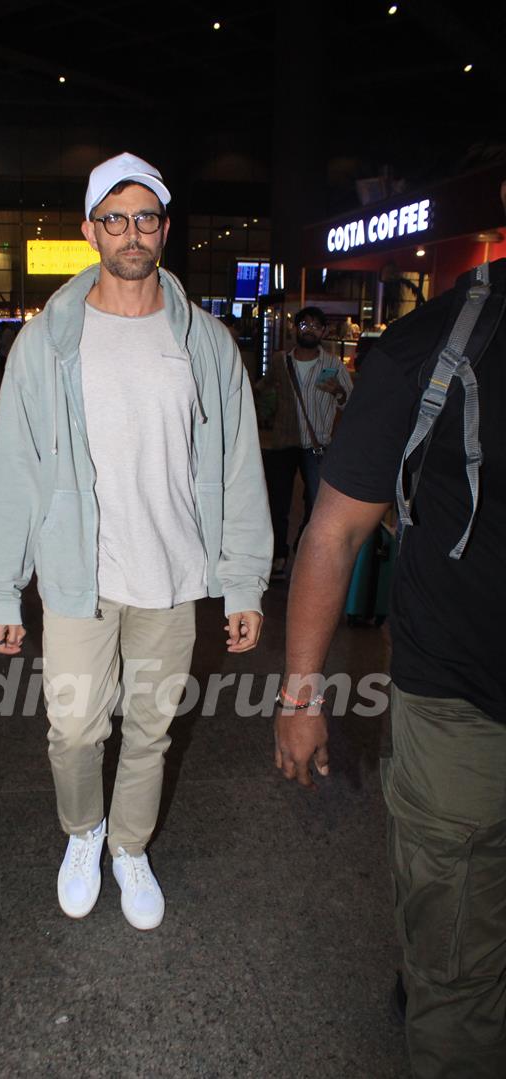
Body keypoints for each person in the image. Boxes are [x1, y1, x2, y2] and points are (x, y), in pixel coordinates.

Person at [0, 151, 272, 930]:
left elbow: (240, 467)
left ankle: (130, 847)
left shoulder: (205, 343)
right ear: (89, 231)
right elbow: (12, 466)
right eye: (115, 218)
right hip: (80, 576)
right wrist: (1, 587)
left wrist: (242, 582)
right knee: (74, 727)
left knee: (151, 727)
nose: (131, 233)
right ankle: (85, 831)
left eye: (145, 218)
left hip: (172, 574)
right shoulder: (46, 343)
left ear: (164, 230)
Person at [274, 194, 506, 1077]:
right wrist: (301, 693)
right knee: (458, 972)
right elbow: (331, 532)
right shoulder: (435, 344)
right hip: (462, 708)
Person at [256, 306, 351, 579]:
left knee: (315, 502)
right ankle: (279, 556)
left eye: (315, 326)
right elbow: (266, 386)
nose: (309, 330)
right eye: (304, 325)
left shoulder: (333, 365)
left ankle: (301, 544)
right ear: (295, 329)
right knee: (278, 503)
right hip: (283, 442)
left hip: (316, 444)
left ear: (324, 332)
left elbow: (350, 401)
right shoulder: (279, 361)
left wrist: (339, 392)